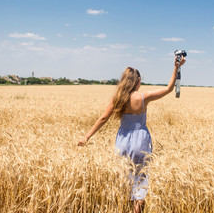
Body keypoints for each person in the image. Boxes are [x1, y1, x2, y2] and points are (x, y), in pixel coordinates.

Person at [78, 56, 186, 213]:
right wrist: (177, 67)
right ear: (137, 81)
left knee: (124, 178)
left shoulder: (118, 98)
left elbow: (103, 118)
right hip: (141, 141)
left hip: (123, 140)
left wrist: (86, 137)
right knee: (141, 179)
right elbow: (169, 88)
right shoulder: (143, 97)